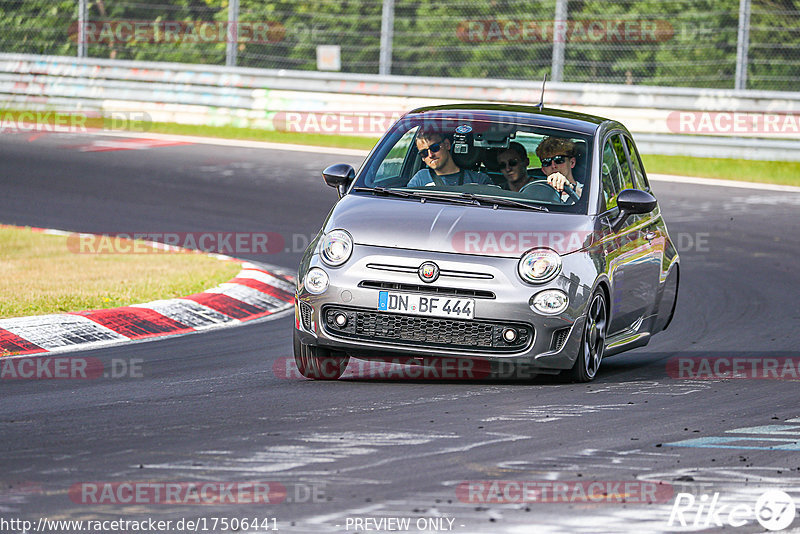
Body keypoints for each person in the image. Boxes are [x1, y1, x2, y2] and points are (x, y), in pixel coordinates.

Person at [407, 130, 491, 187]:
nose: (430, 155)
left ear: (447, 145)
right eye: (424, 153)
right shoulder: (419, 179)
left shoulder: (479, 181)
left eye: (435, 148)